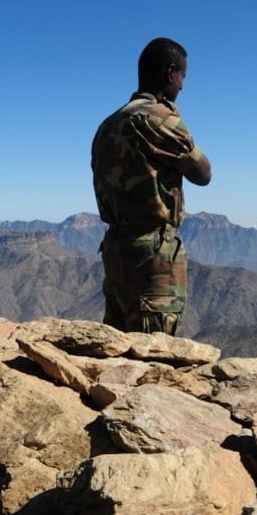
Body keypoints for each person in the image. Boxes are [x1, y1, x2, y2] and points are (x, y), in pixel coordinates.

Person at [90, 37, 213, 335]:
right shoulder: (160, 118)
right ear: (170, 73)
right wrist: (175, 119)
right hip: (152, 255)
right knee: (154, 350)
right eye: (182, 76)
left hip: (116, 250)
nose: (182, 86)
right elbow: (203, 174)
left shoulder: (107, 125)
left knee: (118, 345)